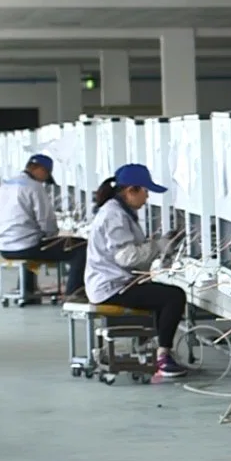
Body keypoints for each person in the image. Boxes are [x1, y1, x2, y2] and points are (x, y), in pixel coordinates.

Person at [84, 163, 188, 380]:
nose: (147, 197)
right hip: (111, 286)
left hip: (114, 282)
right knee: (174, 296)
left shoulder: (119, 210)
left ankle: (150, 347)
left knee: (159, 293)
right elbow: (126, 257)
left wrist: (156, 245)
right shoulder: (114, 215)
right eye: (145, 191)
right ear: (131, 190)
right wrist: (158, 246)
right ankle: (163, 357)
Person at [0, 153, 87, 299]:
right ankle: (74, 293)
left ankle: (27, 288)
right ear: (40, 169)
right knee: (80, 247)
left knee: (34, 239)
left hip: (4, 247)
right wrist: (55, 234)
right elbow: (46, 222)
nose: (45, 180)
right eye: (47, 175)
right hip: (26, 248)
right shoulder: (35, 187)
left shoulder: (7, 184)